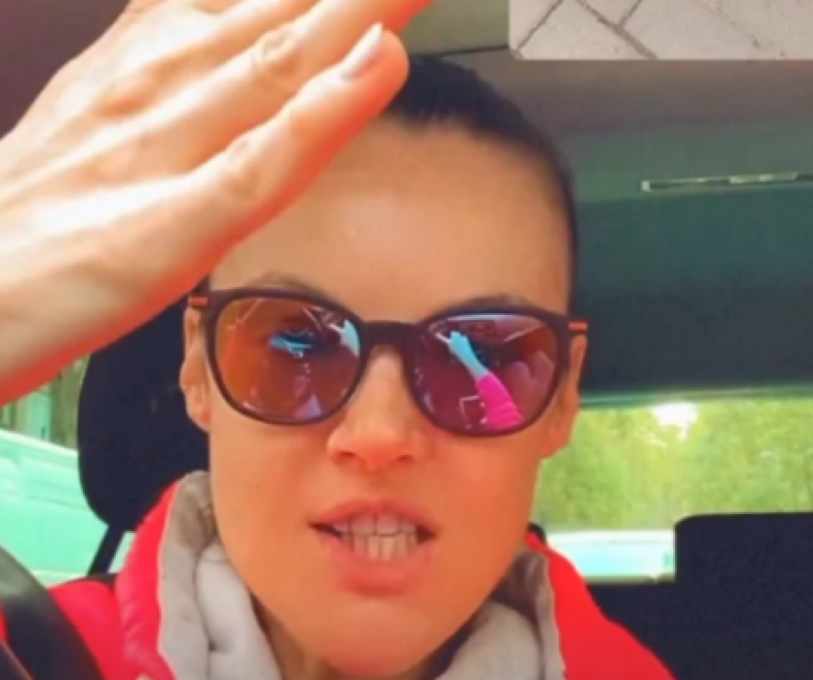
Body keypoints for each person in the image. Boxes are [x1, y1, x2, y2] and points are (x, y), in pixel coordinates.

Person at [0, 0, 674, 678]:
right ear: (199, 368)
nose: (377, 436)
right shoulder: (31, 655)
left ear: (560, 398)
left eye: (479, 358)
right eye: (296, 345)